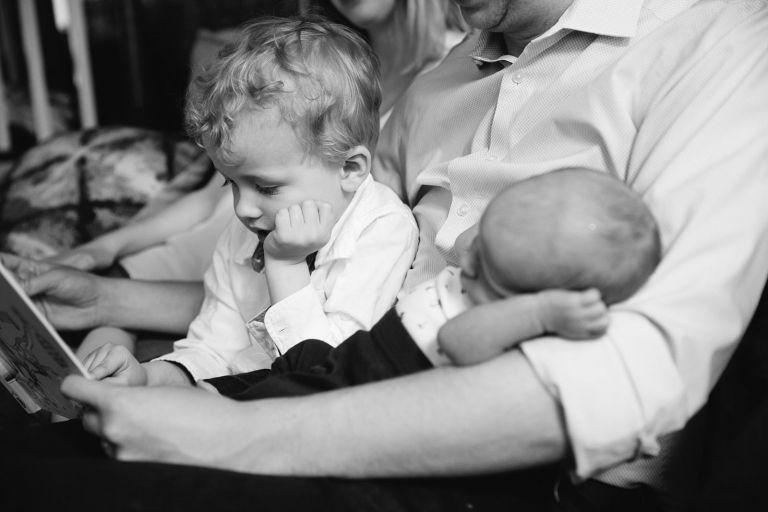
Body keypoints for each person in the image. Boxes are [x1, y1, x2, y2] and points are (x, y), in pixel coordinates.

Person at [2, 1, 768, 511]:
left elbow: (631, 374)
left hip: (495, 468)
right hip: (330, 371)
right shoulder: (443, 81)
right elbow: (318, 256)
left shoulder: (722, 45)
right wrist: (107, 297)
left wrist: (227, 436)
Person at [198, 168, 658, 399]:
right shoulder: (490, 271)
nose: (467, 253)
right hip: (353, 357)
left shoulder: (507, 319)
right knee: (235, 389)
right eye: (485, 232)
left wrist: (537, 315)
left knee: (259, 400)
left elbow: (457, 341)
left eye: (489, 270)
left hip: (362, 381)